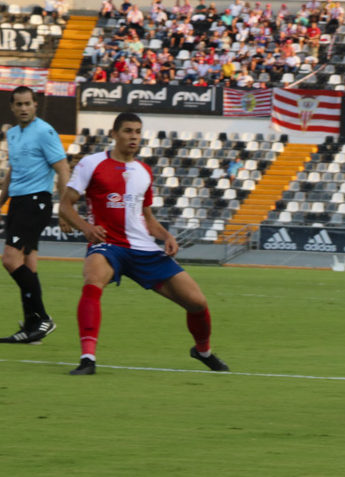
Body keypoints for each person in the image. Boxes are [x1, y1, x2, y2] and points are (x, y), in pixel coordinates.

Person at [58, 112, 229, 376]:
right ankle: (87, 359)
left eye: (137, 131)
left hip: (143, 249)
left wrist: (167, 237)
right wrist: (87, 228)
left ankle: (202, 351)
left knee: (197, 302)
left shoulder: (144, 171)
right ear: (114, 134)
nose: (134, 136)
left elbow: (147, 218)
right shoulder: (91, 164)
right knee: (92, 281)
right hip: (108, 245)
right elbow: (66, 205)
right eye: (127, 131)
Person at [0, 86, 72, 344]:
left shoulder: (45, 132)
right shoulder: (13, 134)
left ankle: (43, 318)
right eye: (19, 104)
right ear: (12, 107)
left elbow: (63, 170)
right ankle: (31, 327)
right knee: (28, 265)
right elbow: (13, 172)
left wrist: (65, 209)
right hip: (17, 203)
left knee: (9, 259)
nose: (24, 108)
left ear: (35, 105)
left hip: (36, 202)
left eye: (28, 103)